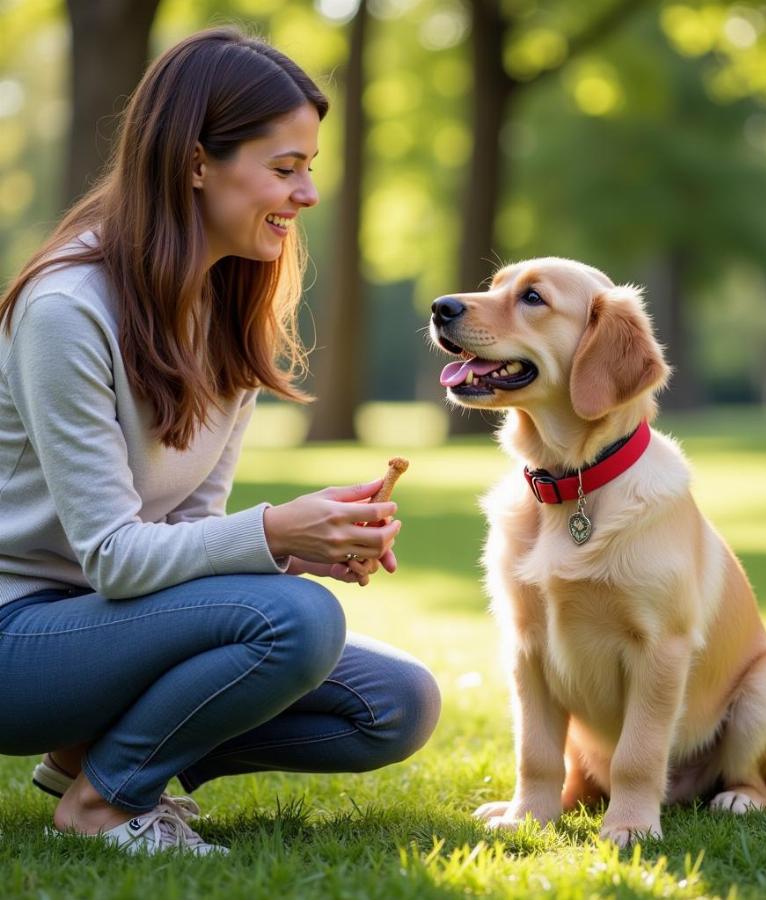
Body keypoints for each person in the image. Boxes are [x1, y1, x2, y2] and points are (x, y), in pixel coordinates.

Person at [0, 27, 440, 856]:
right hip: (17, 637)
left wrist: (304, 547)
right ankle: (105, 800)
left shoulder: (229, 305)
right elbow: (115, 558)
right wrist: (274, 535)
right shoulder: (67, 310)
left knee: (397, 703)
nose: (308, 193)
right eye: (285, 168)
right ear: (197, 163)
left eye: (310, 165)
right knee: (300, 624)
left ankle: (90, 756)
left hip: (111, 629)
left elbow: (182, 531)